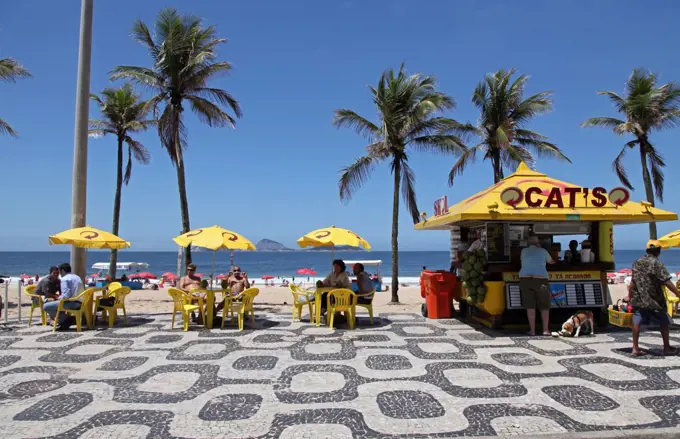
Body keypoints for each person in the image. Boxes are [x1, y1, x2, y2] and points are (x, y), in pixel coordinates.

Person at [626, 240, 679, 357]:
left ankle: (635, 348)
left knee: (637, 321)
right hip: (655, 299)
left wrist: (629, 296)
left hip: (638, 298)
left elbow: (633, 282)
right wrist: (678, 293)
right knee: (664, 321)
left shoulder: (637, 262)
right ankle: (666, 348)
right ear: (658, 251)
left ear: (646, 250)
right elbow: (667, 282)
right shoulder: (657, 263)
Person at [519, 235, 555, 336]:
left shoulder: (524, 251)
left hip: (525, 279)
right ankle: (545, 330)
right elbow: (551, 262)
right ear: (538, 243)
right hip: (541, 280)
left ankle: (532, 330)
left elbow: (523, 261)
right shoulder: (543, 251)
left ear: (527, 243)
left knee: (530, 307)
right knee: (544, 306)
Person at [43, 263, 84, 330]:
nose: (59, 274)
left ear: (62, 271)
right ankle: (65, 320)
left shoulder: (65, 279)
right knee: (56, 305)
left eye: (59, 271)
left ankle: (66, 319)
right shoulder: (77, 277)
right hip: (81, 302)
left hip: (73, 303)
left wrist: (57, 298)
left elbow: (66, 295)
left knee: (46, 306)